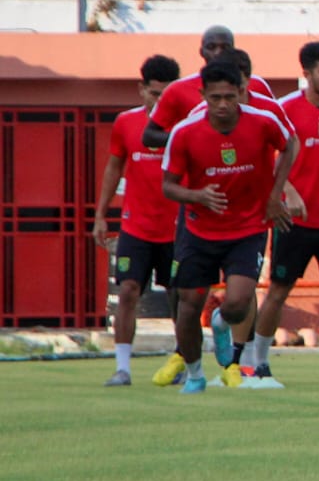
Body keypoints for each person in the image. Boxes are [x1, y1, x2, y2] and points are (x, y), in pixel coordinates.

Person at [151, 61, 294, 393]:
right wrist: (196, 195)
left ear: (242, 92)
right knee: (188, 305)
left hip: (247, 227)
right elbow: (168, 186)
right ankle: (195, 372)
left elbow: (291, 145)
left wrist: (276, 194)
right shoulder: (185, 132)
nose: (223, 105)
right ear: (203, 95)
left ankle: (221, 323)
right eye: (215, 98)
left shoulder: (263, 122)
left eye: (230, 96)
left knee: (239, 303)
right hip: (200, 230)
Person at [253, 41, 319, 384]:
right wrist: (288, 191)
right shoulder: (284, 111)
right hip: (292, 221)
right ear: (306, 74)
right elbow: (264, 160)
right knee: (279, 291)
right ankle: (260, 362)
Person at [93, 54, 182, 386]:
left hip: (176, 228)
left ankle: (181, 363)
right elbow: (113, 167)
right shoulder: (126, 123)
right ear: (141, 89)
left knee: (180, 297)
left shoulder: (186, 125)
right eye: (154, 93)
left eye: (166, 94)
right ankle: (123, 368)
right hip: (136, 227)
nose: (160, 102)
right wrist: (101, 215)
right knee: (128, 291)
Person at [142, 25, 274, 150]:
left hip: (251, 170)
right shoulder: (177, 89)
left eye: (225, 47)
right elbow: (149, 136)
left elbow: (278, 130)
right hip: (201, 171)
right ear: (201, 52)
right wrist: (193, 138)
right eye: (211, 47)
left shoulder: (256, 84)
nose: (218, 52)